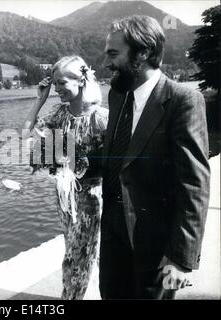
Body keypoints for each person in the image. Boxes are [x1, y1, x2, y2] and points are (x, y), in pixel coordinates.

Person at [100, 15, 210, 299]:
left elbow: (194, 184)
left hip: (156, 250)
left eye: (114, 54)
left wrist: (180, 258)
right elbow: (121, 160)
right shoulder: (117, 95)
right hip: (114, 241)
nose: (106, 63)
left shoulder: (182, 100)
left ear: (144, 53)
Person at [22, 56, 108, 299]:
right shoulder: (59, 115)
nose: (56, 89)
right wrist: (40, 99)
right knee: (78, 252)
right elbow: (26, 134)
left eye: (61, 83)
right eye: (54, 84)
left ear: (81, 81)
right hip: (65, 198)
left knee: (78, 258)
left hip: (93, 200)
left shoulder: (101, 118)